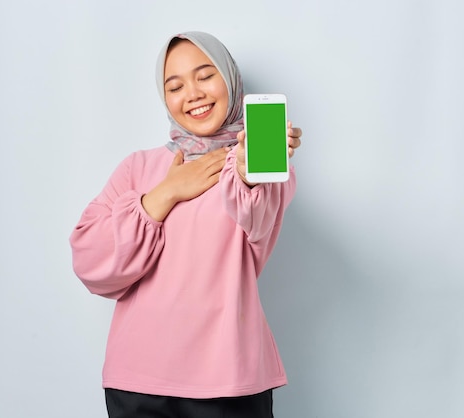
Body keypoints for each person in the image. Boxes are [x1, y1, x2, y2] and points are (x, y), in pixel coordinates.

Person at [70, 31, 302, 418]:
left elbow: (258, 217)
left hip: (227, 380)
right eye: (174, 85)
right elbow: (90, 263)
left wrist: (247, 172)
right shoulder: (138, 168)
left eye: (205, 75)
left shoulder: (256, 168)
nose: (192, 93)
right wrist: (163, 195)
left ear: (230, 80)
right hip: (137, 381)